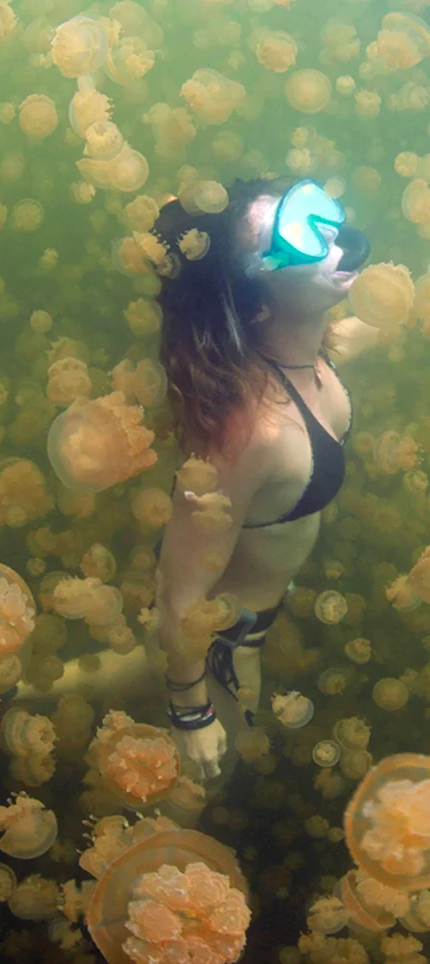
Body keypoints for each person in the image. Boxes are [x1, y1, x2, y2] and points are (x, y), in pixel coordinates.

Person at [154, 176, 380, 779]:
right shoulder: (251, 434)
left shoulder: (314, 350)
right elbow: (178, 597)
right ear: (256, 300)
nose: (334, 242)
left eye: (318, 219)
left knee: (124, 673)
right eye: (300, 240)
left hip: (258, 611)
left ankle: (30, 691)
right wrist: (189, 713)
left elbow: (363, 330)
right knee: (210, 783)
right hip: (231, 638)